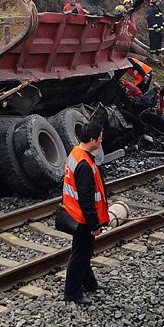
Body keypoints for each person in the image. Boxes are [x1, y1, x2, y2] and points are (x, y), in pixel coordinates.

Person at [62, 121, 109, 305]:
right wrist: (94, 224)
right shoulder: (84, 164)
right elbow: (87, 199)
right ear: (93, 140)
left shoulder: (76, 154)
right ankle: (72, 293)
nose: (101, 140)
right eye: (100, 138)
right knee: (80, 254)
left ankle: (89, 283)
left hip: (74, 213)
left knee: (83, 252)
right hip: (82, 218)